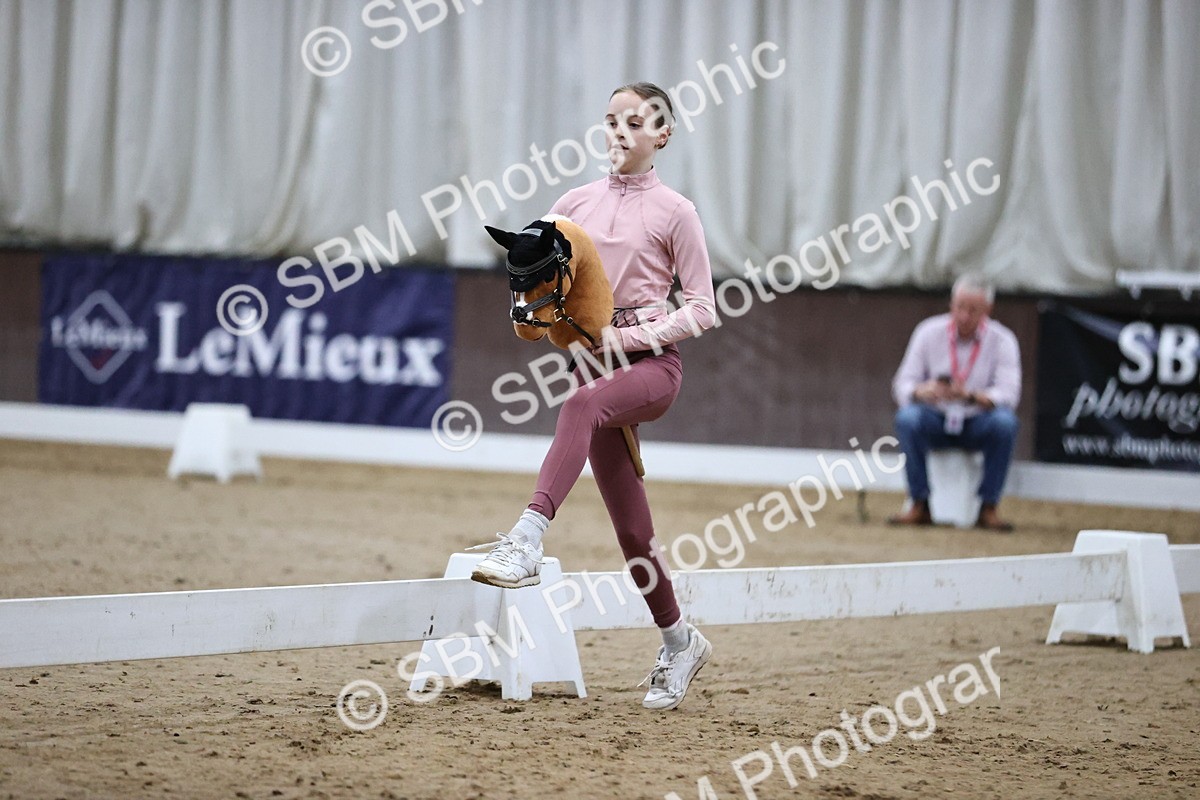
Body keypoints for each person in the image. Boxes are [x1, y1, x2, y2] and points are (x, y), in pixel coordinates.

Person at [470, 83, 717, 709]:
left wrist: (633, 333)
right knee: (634, 534)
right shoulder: (573, 205)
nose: (619, 132)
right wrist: (533, 311)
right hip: (592, 365)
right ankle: (680, 641)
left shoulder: (677, 212)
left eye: (634, 122)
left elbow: (703, 309)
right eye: (611, 121)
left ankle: (526, 536)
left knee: (578, 406)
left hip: (652, 366)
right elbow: (548, 279)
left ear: (662, 135)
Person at [889, 275, 1021, 531]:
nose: (964, 316)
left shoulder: (1003, 340)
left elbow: (1009, 394)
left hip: (977, 419)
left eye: (973, 310)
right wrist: (923, 391)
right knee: (908, 418)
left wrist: (971, 396)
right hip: (935, 416)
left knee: (1005, 424)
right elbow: (902, 384)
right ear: (951, 304)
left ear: (987, 310)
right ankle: (919, 502)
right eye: (959, 307)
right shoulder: (928, 332)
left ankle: (989, 506)